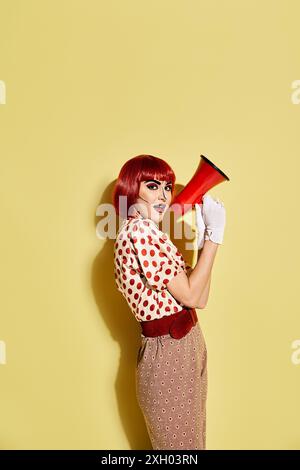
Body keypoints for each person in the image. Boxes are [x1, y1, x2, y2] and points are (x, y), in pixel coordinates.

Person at [112, 154, 226, 450]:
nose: (163, 195)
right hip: (168, 352)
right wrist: (214, 238)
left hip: (187, 343)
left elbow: (199, 299)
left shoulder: (155, 235)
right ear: (131, 188)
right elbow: (189, 294)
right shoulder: (138, 232)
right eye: (153, 186)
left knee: (191, 447)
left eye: (168, 187)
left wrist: (204, 244)